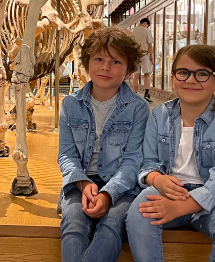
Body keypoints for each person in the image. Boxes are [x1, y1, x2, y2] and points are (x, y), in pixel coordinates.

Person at [126, 44, 215, 262]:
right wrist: (156, 179)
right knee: (138, 215)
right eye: (183, 72)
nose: (191, 80)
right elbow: (148, 163)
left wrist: (179, 207)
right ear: (173, 78)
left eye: (202, 74)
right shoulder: (159, 116)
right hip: (168, 190)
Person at [58, 27, 150, 262]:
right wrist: (82, 183)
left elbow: (134, 160)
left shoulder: (138, 108)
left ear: (129, 70)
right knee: (73, 224)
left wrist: (109, 193)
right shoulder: (70, 104)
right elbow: (66, 155)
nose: (106, 67)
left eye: (116, 62)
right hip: (80, 183)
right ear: (86, 64)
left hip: (123, 186)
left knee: (112, 225)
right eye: (99, 59)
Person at [131, 18, 154, 103]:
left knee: (136, 75)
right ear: (145, 23)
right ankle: (146, 94)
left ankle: (134, 94)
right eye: (147, 25)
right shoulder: (146, 30)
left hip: (135, 55)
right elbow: (150, 45)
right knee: (147, 74)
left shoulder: (133, 31)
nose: (147, 27)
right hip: (144, 54)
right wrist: (152, 57)